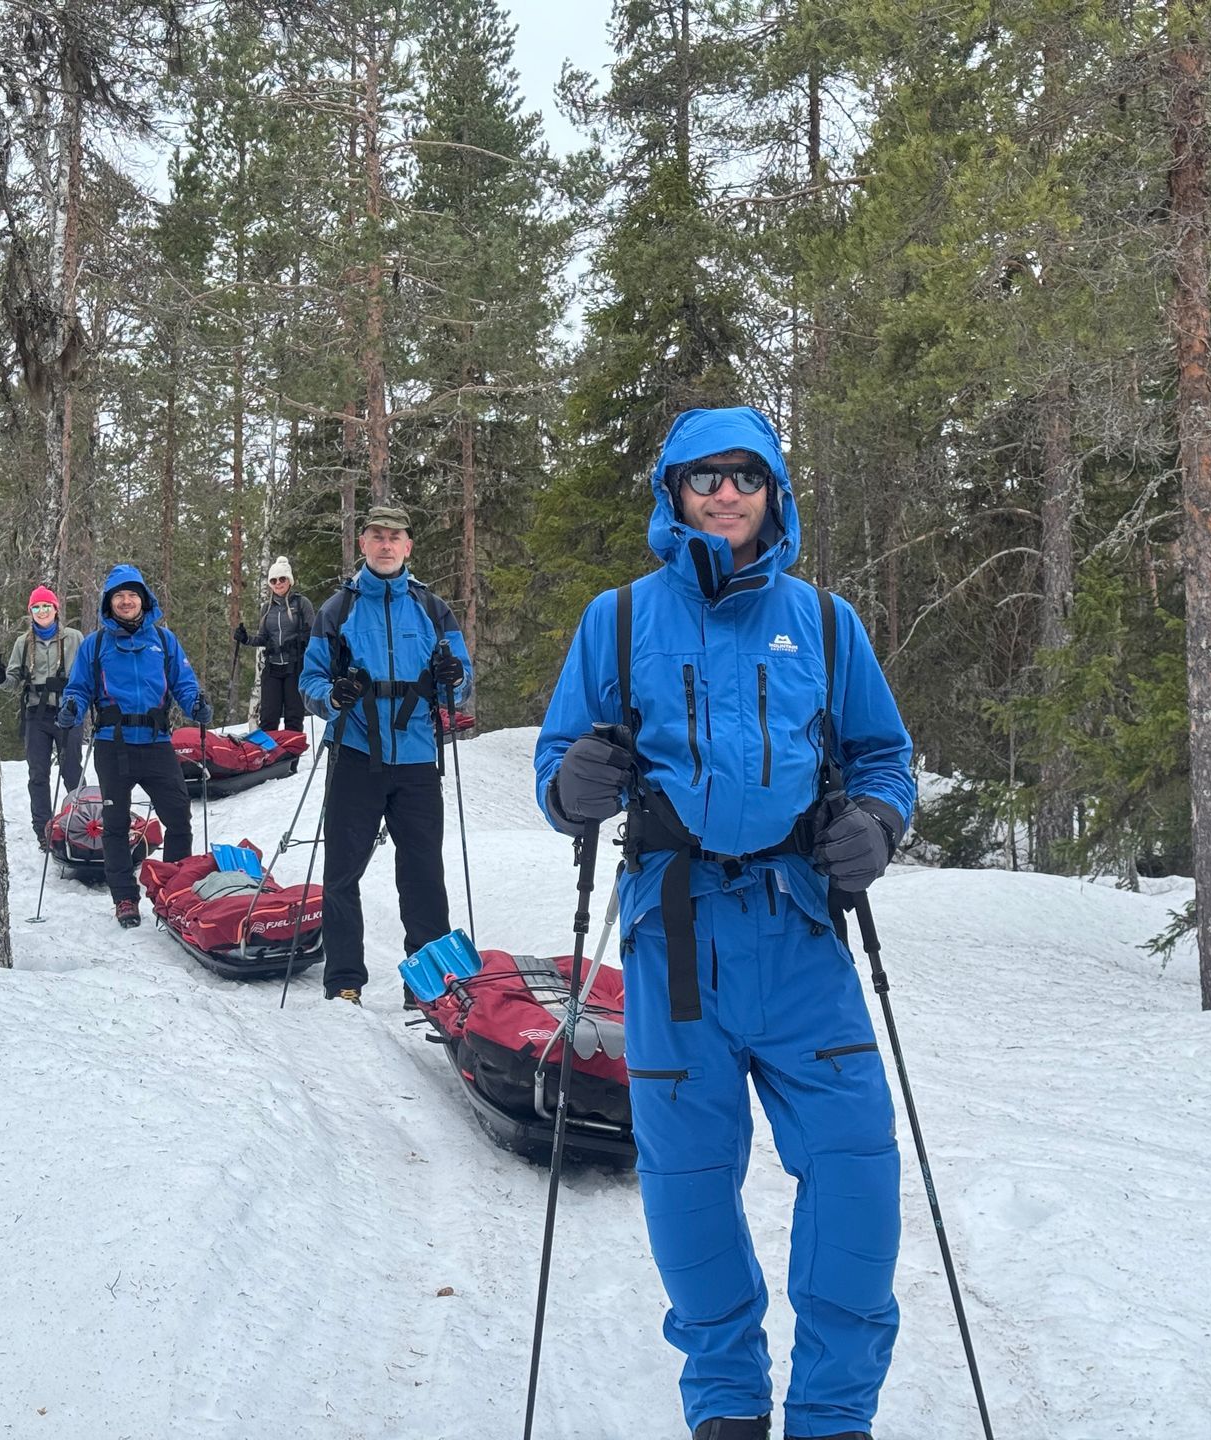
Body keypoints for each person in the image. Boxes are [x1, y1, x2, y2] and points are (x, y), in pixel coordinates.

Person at [533, 407, 915, 1440]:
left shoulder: (826, 624)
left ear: (773, 491)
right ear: (674, 492)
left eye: (746, 474)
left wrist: (876, 823)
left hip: (799, 935)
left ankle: (834, 1414)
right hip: (675, 942)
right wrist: (575, 784)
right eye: (704, 476)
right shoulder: (617, 621)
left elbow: (883, 756)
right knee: (690, 1193)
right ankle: (728, 1409)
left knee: (856, 1177)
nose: (726, 491)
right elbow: (556, 771)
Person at [300, 503, 471, 1004]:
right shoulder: (339, 609)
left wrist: (452, 681)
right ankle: (345, 980)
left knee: (423, 873)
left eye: (395, 536)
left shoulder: (433, 608)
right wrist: (333, 697)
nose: (386, 544)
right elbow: (311, 680)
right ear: (363, 544)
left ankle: (425, 987)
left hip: (418, 758)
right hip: (355, 753)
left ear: (408, 546)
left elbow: (461, 680)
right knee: (343, 870)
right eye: (377, 535)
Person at [58, 564, 212, 928]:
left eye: (132, 595)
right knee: (114, 824)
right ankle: (125, 898)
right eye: (119, 596)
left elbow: (183, 683)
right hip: (114, 746)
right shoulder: (95, 646)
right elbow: (78, 689)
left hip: (158, 743)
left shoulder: (163, 640)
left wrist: (195, 705)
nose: (126, 601)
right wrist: (71, 708)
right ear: (109, 603)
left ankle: (172, 892)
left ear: (144, 600)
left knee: (178, 819)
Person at [0, 586, 85, 848]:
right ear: (31, 612)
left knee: (72, 772)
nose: (42, 611)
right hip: (36, 714)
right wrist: (1, 678)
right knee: (38, 774)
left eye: (47, 606)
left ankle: (80, 823)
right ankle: (44, 830)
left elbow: (88, 673)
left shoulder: (74, 638)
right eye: (37, 607)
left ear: (56, 609)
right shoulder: (23, 643)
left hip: (69, 713)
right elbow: (13, 679)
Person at [234, 556, 316, 732]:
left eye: (282, 579)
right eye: (273, 580)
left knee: (294, 719)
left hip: (295, 667)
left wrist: (302, 643)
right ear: (270, 584)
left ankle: (291, 760)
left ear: (289, 580)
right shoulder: (266, 608)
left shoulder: (302, 604)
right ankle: (270, 759)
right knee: (268, 719)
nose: (278, 583)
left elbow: (314, 634)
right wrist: (246, 638)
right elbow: (263, 638)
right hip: (272, 668)